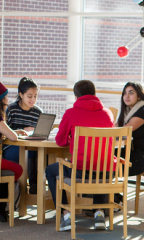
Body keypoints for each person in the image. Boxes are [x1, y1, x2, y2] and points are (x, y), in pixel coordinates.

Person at [45, 80, 115, 231]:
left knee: (50, 170)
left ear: (76, 97)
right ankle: (99, 214)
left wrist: (72, 139)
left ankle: (65, 214)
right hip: (108, 171)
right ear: (95, 94)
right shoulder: (108, 114)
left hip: (80, 171)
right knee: (99, 165)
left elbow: (60, 141)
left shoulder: (71, 113)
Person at [0, 82, 24, 222]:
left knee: (12, 169)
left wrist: (14, 131)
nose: (8, 98)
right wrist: (15, 133)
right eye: (6, 95)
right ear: (1, 99)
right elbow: (12, 137)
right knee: (18, 169)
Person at [3, 77, 42, 194]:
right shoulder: (11, 109)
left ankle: (35, 186)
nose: (33, 99)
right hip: (11, 147)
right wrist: (21, 130)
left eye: (35, 96)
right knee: (32, 151)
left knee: (38, 151)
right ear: (21, 94)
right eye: (29, 96)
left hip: (31, 146)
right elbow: (4, 132)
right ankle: (34, 184)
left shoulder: (38, 112)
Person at [116, 82, 144, 176]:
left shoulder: (142, 113)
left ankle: (110, 190)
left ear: (139, 96)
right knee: (106, 158)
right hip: (137, 152)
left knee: (112, 164)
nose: (127, 96)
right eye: (125, 93)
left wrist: (103, 132)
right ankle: (107, 190)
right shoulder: (128, 112)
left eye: (131, 93)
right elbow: (116, 126)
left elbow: (123, 130)